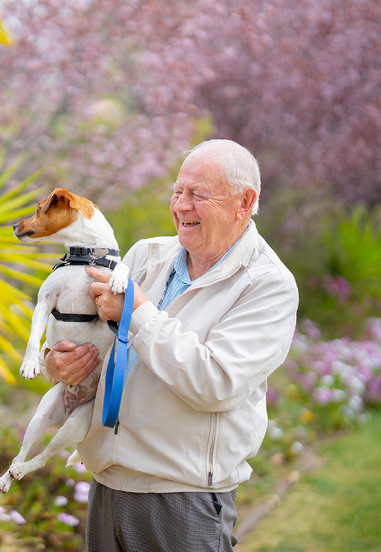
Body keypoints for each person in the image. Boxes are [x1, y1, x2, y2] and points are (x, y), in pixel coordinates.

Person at [45, 139, 299, 551]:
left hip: (182, 499)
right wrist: (58, 362)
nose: (181, 206)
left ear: (244, 202)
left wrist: (137, 313)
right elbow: (94, 338)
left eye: (198, 194)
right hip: (107, 485)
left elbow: (215, 383)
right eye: (177, 192)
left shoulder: (267, 285)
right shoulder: (146, 255)